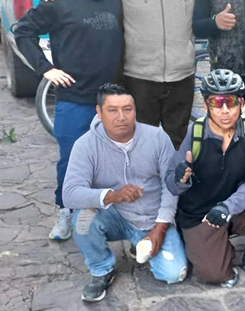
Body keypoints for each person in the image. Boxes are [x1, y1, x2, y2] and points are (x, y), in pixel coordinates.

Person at [42, 0, 204, 148]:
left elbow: (211, 11)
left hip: (181, 77)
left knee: (176, 143)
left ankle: (172, 184)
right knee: (137, 142)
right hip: (138, 78)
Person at [15, 0, 122, 242]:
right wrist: (44, 69)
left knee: (109, 159)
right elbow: (23, 30)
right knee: (71, 158)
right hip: (74, 98)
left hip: (110, 99)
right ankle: (64, 210)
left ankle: (99, 211)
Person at [63, 84, 187, 302]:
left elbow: (171, 185)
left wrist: (161, 226)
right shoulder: (85, 145)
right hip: (115, 215)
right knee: (82, 219)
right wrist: (112, 195)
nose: (121, 117)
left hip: (151, 218)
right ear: (99, 112)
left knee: (174, 274)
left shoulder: (157, 137)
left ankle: (140, 243)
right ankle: (102, 269)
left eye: (128, 109)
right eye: (112, 110)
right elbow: (70, 193)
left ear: (135, 110)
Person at [166, 69, 245, 286]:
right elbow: (171, 184)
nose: (225, 110)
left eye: (232, 102)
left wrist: (227, 207)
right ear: (206, 104)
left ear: (242, 103)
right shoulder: (195, 133)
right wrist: (181, 178)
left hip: (234, 207)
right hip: (200, 214)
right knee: (214, 276)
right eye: (217, 102)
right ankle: (208, 243)